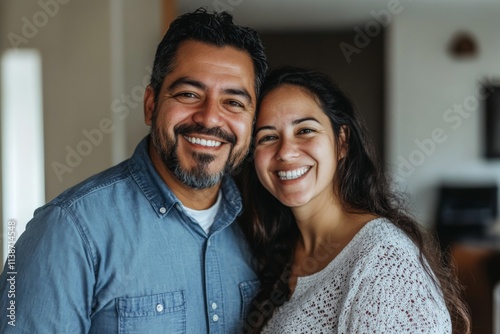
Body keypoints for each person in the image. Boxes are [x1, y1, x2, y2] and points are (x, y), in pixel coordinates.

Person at [0, 8, 267, 333]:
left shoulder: (262, 228)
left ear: (252, 122)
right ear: (151, 105)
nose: (210, 118)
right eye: (189, 94)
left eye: (233, 103)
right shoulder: (68, 231)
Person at [238, 67, 471, 333]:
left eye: (305, 131)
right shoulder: (272, 250)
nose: (286, 152)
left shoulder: (383, 259)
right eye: (267, 137)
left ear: (342, 142)